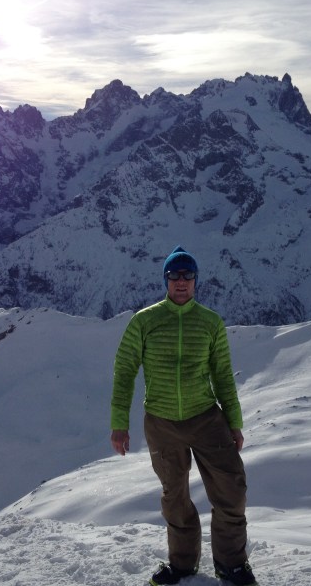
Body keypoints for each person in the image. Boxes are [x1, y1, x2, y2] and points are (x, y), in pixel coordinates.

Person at [110, 246, 257, 586]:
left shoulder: (209, 322)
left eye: (187, 275)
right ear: (165, 279)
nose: (180, 282)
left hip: (206, 418)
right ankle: (182, 565)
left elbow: (222, 375)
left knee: (231, 491)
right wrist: (119, 424)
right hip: (161, 423)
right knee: (174, 497)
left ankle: (231, 565)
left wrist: (234, 422)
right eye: (174, 275)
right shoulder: (144, 321)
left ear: (195, 281)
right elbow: (124, 370)